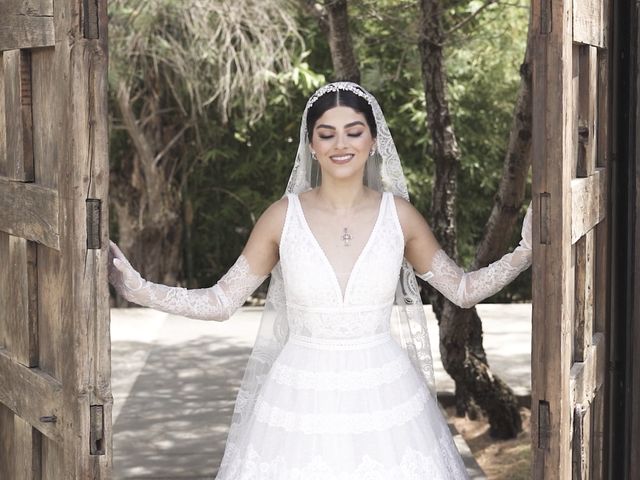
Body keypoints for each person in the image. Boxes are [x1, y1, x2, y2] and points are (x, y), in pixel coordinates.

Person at [108, 81, 532, 479]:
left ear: (373, 140)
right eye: (326, 134)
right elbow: (222, 301)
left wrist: (524, 253)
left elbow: (461, 289)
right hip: (298, 396)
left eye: (354, 131)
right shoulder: (281, 217)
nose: (341, 144)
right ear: (311, 145)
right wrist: (139, 289)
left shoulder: (400, 217)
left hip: (384, 395)